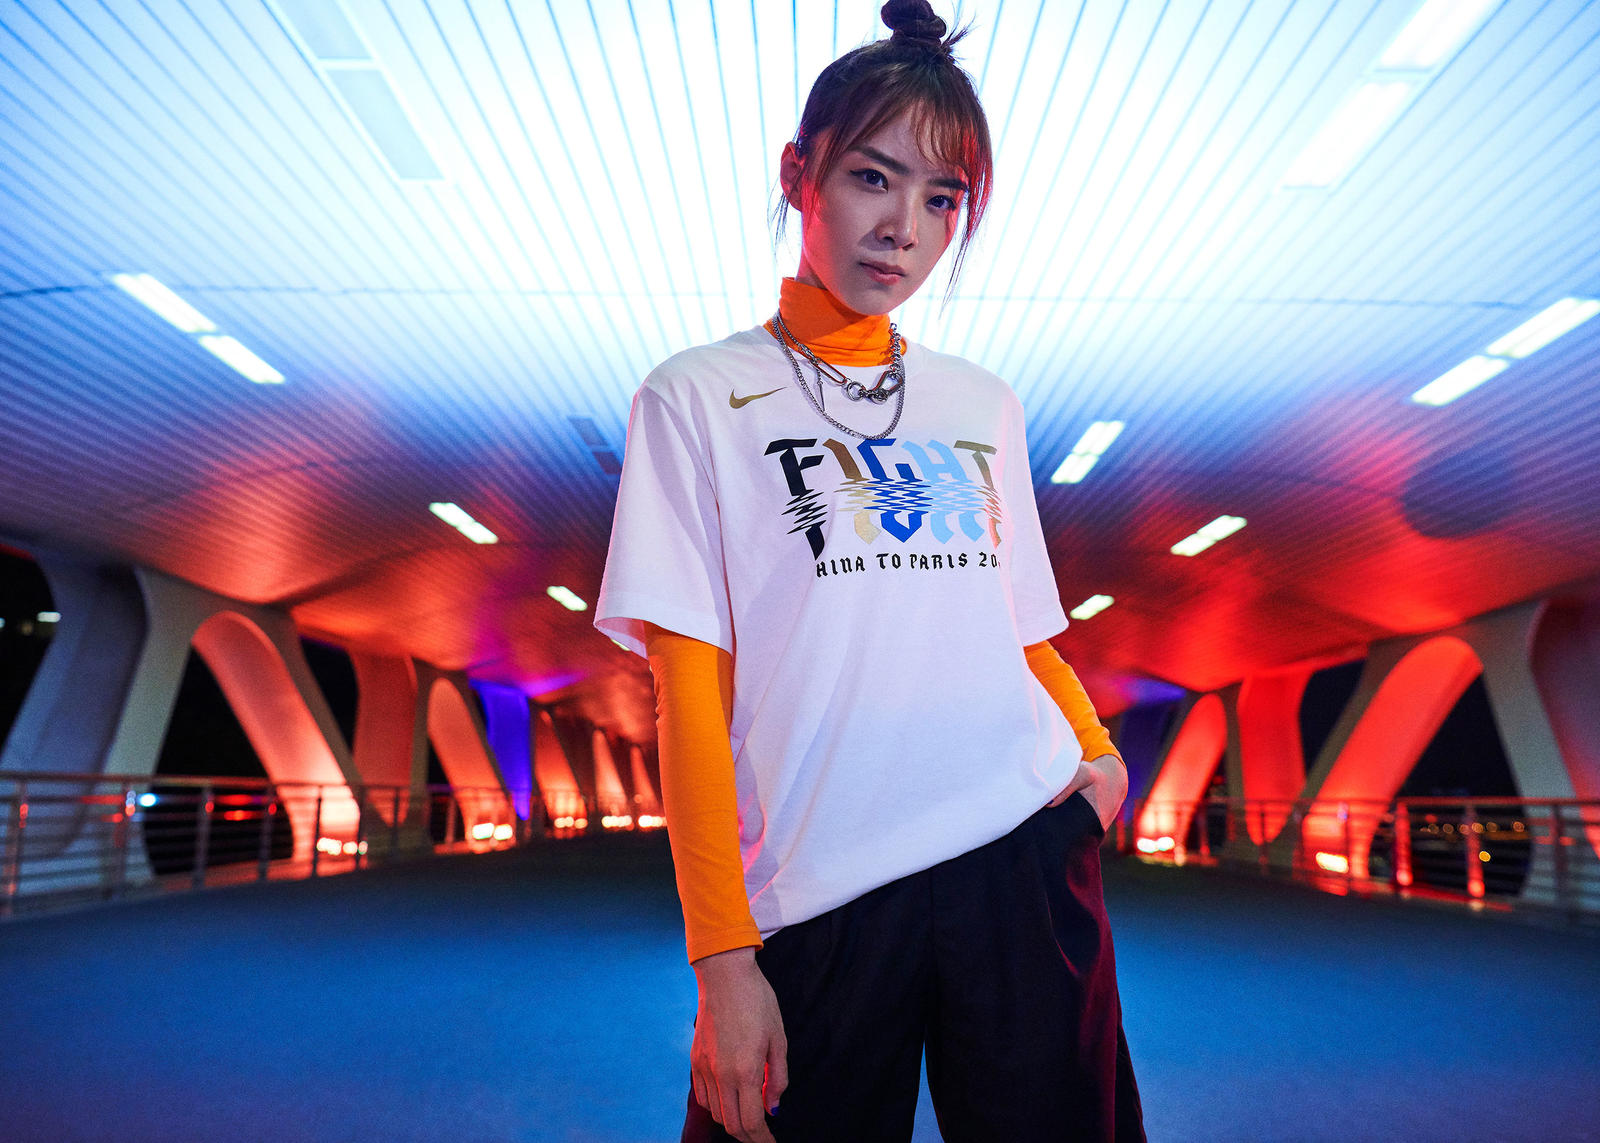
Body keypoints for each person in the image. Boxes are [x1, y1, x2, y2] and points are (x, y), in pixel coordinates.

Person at [595, 3, 1145, 1140]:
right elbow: (689, 694)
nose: (902, 228)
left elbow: (1019, 632)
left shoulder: (980, 402)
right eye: (871, 177)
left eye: (942, 199)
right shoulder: (695, 397)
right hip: (821, 890)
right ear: (798, 174)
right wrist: (722, 958)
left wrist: (1098, 758)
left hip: (1017, 857)